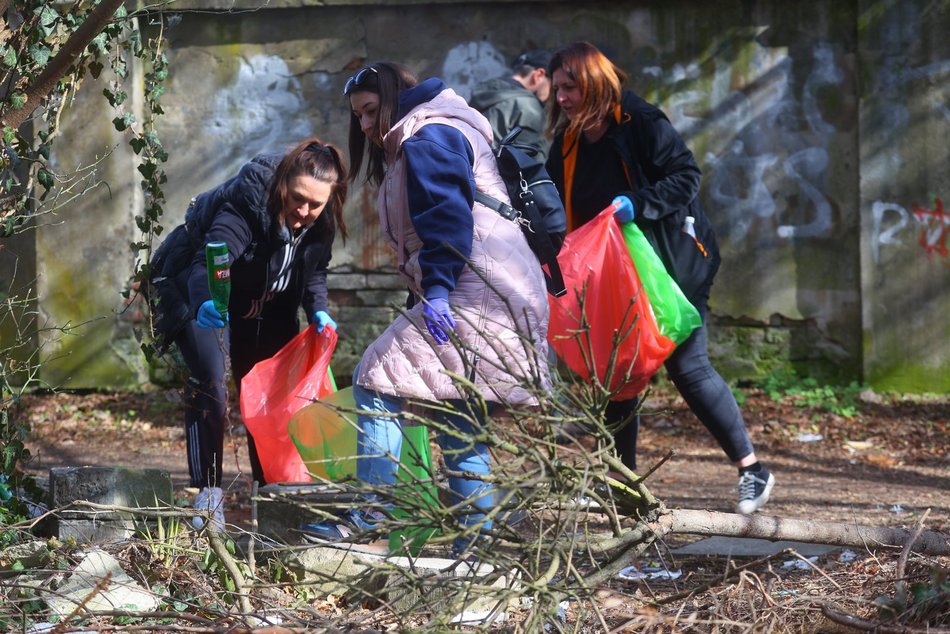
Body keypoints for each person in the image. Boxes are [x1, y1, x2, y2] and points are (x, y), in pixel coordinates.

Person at [303, 62, 551, 555]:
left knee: (376, 378)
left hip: (475, 288)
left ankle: (372, 516)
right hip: (497, 287)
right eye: (358, 116)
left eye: (370, 111)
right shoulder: (430, 132)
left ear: (394, 98)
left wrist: (436, 290)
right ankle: (475, 548)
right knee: (458, 414)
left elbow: (446, 221)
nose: (365, 125)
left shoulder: (429, 138)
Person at [544, 41, 775, 514]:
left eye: (570, 87)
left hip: (674, 264)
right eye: (557, 88)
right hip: (615, 277)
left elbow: (686, 176)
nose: (561, 97)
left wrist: (638, 204)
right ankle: (625, 487)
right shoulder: (568, 142)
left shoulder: (641, 122)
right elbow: (554, 204)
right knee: (620, 375)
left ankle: (753, 469)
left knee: (687, 367)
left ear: (593, 82)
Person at [149, 137, 348, 528]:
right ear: (282, 185)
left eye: (314, 204)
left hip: (264, 305)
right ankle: (207, 495)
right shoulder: (247, 203)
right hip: (198, 289)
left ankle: (271, 496)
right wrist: (207, 300)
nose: (304, 211)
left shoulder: (321, 220)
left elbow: (315, 272)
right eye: (297, 198)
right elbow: (212, 256)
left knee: (274, 393)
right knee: (211, 379)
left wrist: (319, 310)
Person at [468, 49, 554, 160]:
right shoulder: (529, 106)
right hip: (497, 170)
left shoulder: (482, 92)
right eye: (553, 85)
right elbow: (531, 161)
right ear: (538, 75)